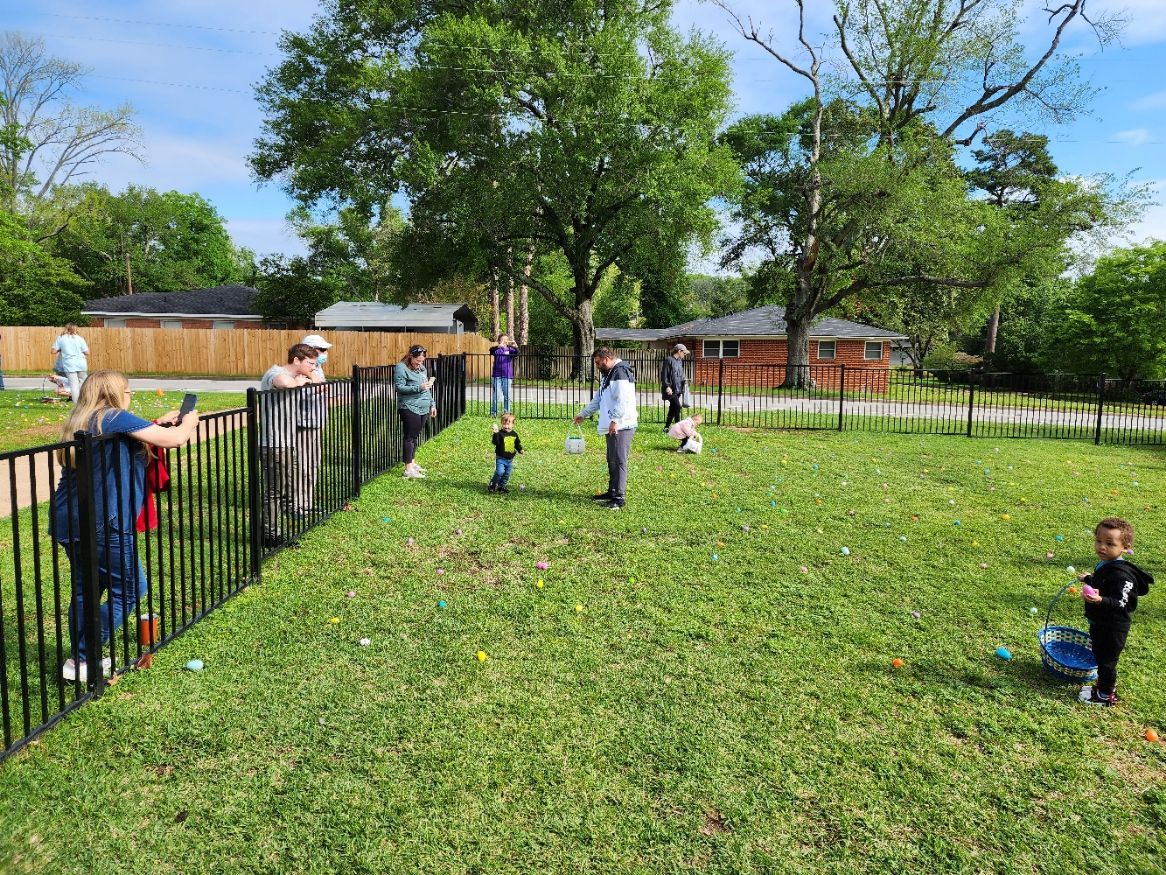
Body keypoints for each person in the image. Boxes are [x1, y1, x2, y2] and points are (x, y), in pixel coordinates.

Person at [51, 370, 199, 683]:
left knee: (85, 590)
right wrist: (189, 423)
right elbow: (174, 440)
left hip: (69, 518)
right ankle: (83, 655)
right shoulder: (114, 416)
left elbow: (133, 438)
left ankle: (79, 659)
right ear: (114, 394)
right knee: (131, 589)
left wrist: (156, 423)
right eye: (127, 390)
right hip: (104, 520)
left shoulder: (83, 418)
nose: (130, 395)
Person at [1075, 517, 1153, 706]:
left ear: (1125, 547)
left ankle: (1105, 695)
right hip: (1100, 622)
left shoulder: (1122, 576)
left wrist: (1100, 599)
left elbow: (1122, 602)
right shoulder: (1106, 564)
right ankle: (1102, 687)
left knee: (1106, 661)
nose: (1102, 547)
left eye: (1110, 543)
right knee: (1099, 654)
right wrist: (1090, 579)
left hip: (1113, 627)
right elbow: (1104, 582)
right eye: (1099, 541)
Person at [259, 344, 322, 547]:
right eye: (310, 363)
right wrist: (297, 381)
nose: (314, 367)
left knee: (286, 487)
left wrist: (310, 376)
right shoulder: (275, 372)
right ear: (296, 361)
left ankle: (279, 527)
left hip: (287, 442)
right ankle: (269, 536)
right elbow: (283, 383)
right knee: (274, 491)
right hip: (273, 443)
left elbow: (321, 385)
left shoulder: (302, 377)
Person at [573, 348, 638, 510]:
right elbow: (599, 398)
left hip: (622, 425)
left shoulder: (620, 373)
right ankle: (612, 492)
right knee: (612, 459)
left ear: (607, 358)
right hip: (614, 424)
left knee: (619, 460)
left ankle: (619, 497)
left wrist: (615, 420)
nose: (597, 366)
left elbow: (622, 399)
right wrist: (584, 414)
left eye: (598, 362)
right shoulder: (609, 374)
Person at [296, 334, 333, 514]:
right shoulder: (301, 370)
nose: (325, 353)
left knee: (313, 464)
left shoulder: (317, 368)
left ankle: (307, 503)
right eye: (322, 350)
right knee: (302, 465)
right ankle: (297, 504)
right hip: (303, 424)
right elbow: (297, 394)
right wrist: (319, 389)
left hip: (316, 422)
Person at [394, 344, 437, 479]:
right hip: (409, 406)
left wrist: (432, 404)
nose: (420, 363)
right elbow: (399, 388)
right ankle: (408, 469)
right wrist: (418, 388)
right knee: (409, 437)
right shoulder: (401, 368)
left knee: (415, 436)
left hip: (423, 406)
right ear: (411, 356)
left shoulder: (422, 368)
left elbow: (427, 388)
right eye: (418, 360)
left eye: (422, 360)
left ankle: (413, 463)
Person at [51, 323, 89, 403]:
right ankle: (85, 402)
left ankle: (77, 404)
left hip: (69, 364)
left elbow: (53, 351)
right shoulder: (80, 338)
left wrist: (61, 349)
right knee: (83, 383)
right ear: (76, 329)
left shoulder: (61, 338)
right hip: (81, 363)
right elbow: (87, 352)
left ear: (66, 329)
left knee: (74, 385)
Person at [488, 412, 524, 493]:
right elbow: (495, 442)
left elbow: (517, 444)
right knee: (500, 472)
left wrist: (520, 449)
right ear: (501, 424)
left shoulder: (514, 434)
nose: (506, 426)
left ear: (513, 424)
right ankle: (492, 485)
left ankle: (501, 487)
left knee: (506, 474)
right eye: (504, 424)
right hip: (500, 458)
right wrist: (496, 433)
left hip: (509, 459)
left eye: (508, 424)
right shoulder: (500, 434)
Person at [660, 343, 689, 433]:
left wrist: (684, 381)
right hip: (670, 389)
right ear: (679, 351)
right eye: (684, 353)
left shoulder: (679, 361)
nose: (685, 354)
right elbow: (664, 374)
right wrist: (667, 386)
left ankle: (666, 428)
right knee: (677, 406)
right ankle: (678, 428)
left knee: (673, 408)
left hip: (678, 389)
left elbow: (679, 375)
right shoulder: (669, 360)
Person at [489, 333, 519, 416]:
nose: (504, 341)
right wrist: (499, 346)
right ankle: (493, 413)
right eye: (502, 339)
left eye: (506, 339)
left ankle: (507, 413)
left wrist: (515, 346)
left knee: (507, 396)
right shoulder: (496, 349)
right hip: (496, 376)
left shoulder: (510, 349)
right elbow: (491, 350)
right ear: (499, 341)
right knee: (496, 396)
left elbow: (517, 353)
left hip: (507, 376)